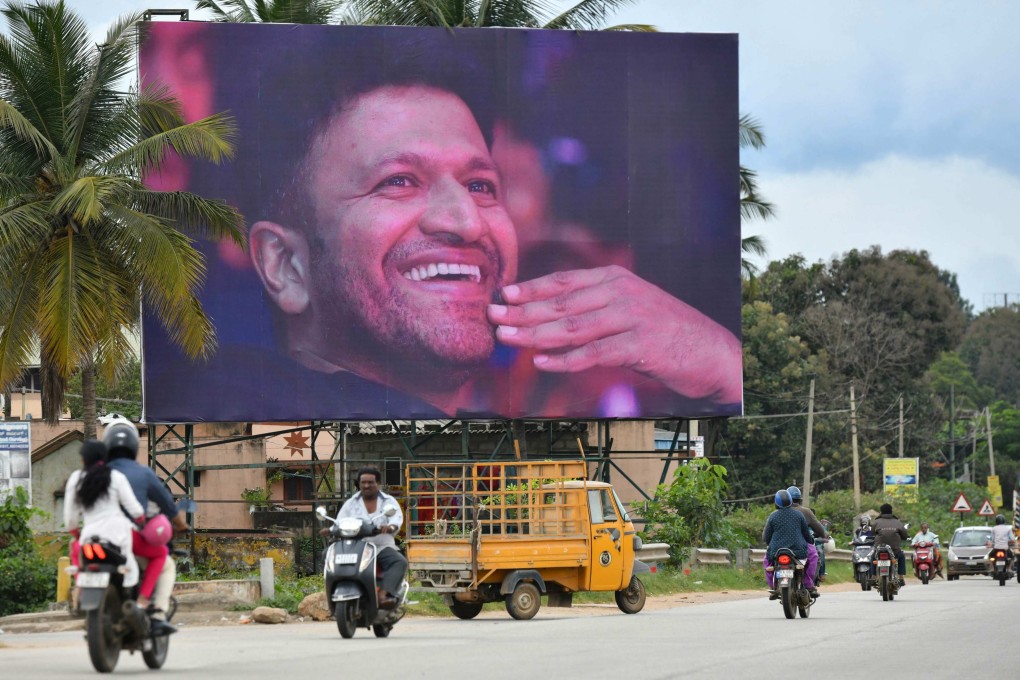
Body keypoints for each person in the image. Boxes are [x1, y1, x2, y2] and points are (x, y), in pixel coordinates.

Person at [234, 57, 742, 419]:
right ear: (285, 265)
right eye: (398, 181)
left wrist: (719, 360)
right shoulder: (232, 403)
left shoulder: (517, 418)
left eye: (480, 186)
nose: (466, 221)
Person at [104, 418, 189, 636]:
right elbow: (169, 507)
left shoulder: (95, 473)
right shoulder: (143, 473)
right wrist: (181, 525)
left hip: (97, 539)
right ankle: (157, 614)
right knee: (166, 563)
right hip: (129, 540)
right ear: (134, 446)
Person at [64, 440, 147, 604]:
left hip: (89, 536)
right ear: (106, 458)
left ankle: (79, 590)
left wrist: (75, 533)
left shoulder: (76, 479)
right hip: (118, 535)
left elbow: (70, 518)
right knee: (132, 564)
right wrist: (141, 521)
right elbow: (135, 510)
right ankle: (135, 600)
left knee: (75, 551)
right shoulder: (116, 477)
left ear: (83, 459)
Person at [336, 466, 407, 609]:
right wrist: (331, 529)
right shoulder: (351, 503)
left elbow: (396, 520)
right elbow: (340, 521)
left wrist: (391, 527)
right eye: (363, 482)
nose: (366, 485)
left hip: (381, 546)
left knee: (399, 562)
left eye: (370, 482)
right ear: (359, 484)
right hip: (356, 547)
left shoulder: (389, 501)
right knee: (328, 555)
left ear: (378, 484)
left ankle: (384, 595)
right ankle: (337, 590)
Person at [762, 489, 814, 600]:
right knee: (809, 561)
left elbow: (766, 537)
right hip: (798, 551)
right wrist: (810, 540)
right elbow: (806, 533)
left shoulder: (773, 516)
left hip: (776, 551)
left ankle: (773, 586)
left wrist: (769, 543)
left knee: (768, 564)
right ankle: (808, 585)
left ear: (776, 503)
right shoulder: (799, 515)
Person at [786, 486, 825, 591]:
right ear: (799, 499)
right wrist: (822, 534)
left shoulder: (778, 512)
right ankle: (808, 583)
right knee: (813, 556)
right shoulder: (805, 512)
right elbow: (818, 529)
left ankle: (774, 584)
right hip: (801, 544)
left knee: (769, 559)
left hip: (781, 545)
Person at [872, 503, 909, 587]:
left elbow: (873, 533)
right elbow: (905, 536)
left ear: (881, 512)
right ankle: (901, 577)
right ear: (891, 511)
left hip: (880, 549)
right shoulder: (897, 522)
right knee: (901, 556)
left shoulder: (876, 522)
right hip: (894, 550)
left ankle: (873, 576)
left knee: (873, 557)